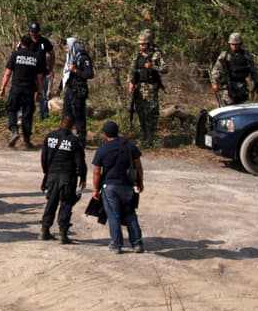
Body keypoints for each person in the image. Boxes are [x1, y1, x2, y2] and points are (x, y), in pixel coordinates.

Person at [91, 120, 144, 253]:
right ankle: (137, 244)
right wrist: (140, 182)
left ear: (105, 134)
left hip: (109, 187)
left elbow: (96, 171)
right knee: (130, 213)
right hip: (127, 186)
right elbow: (138, 166)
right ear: (117, 131)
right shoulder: (130, 146)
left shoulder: (102, 149)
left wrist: (96, 189)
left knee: (114, 215)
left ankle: (116, 245)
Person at [39, 114, 86, 244]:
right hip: (68, 177)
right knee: (66, 203)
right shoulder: (74, 141)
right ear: (72, 126)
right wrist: (83, 177)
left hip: (52, 175)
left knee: (51, 202)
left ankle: (44, 230)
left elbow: (44, 157)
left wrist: (47, 173)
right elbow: (80, 162)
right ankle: (63, 234)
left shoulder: (50, 137)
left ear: (60, 123)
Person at [0, 33, 45, 148]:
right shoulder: (36, 57)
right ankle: (27, 141)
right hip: (29, 90)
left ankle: (14, 130)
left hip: (16, 89)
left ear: (21, 43)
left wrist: (2, 88)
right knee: (27, 114)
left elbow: (8, 73)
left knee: (11, 109)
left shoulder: (16, 55)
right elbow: (40, 78)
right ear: (31, 44)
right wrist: (39, 93)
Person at [127, 29, 167, 146]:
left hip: (150, 88)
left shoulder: (156, 54)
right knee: (140, 111)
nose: (141, 46)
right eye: (139, 44)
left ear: (149, 43)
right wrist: (131, 83)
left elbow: (165, 69)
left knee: (151, 112)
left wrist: (153, 67)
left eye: (143, 44)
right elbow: (132, 70)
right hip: (138, 87)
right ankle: (143, 134)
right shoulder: (137, 55)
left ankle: (151, 137)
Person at [60, 36, 95, 143]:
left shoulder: (83, 57)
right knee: (66, 114)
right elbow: (66, 75)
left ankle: (81, 139)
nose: (65, 49)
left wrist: (75, 70)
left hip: (79, 90)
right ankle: (65, 136)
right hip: (70, 90)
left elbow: (89, 74)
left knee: (78, 115)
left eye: (67, 47)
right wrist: (60, 88)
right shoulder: (70, 58)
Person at [211, 32, 258, 105]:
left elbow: (253, 70)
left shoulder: (246, 55)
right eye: (232, 44)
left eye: (236, 44)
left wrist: (256, 82)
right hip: (228, 86)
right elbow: (216, 70)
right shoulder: (224, 55)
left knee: (242, 106)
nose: (234, 46)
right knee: (229, 105)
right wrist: (215, 83)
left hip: (242, 86)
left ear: (240, 44)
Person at [29, 21, 56, 121]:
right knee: (28, 95)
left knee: (43, 95)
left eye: (35, 31)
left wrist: (50, 69)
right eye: (32, 31)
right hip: (29, 74)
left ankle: (44, 116)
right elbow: (18, 52)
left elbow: (52, 54)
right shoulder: (26, 40)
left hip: (42, 73)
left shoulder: (44, 41)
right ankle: (28, 115)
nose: (34, 34)